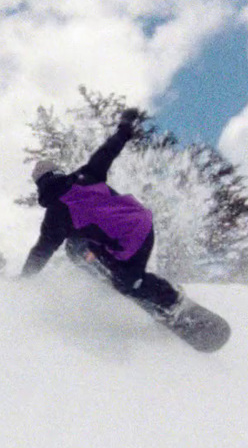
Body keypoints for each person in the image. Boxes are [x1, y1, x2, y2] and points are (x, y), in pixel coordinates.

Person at [20, 108, 181, 315]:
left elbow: (41, 252)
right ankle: (137, 283)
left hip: (128, 242)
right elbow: (108, 150)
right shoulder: (87, 175)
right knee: (77, 246)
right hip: (143, 223)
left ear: (40, 186)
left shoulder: (55, 216)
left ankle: (172, 301)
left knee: (125, 281)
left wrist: (24, 279)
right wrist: (124, 127)